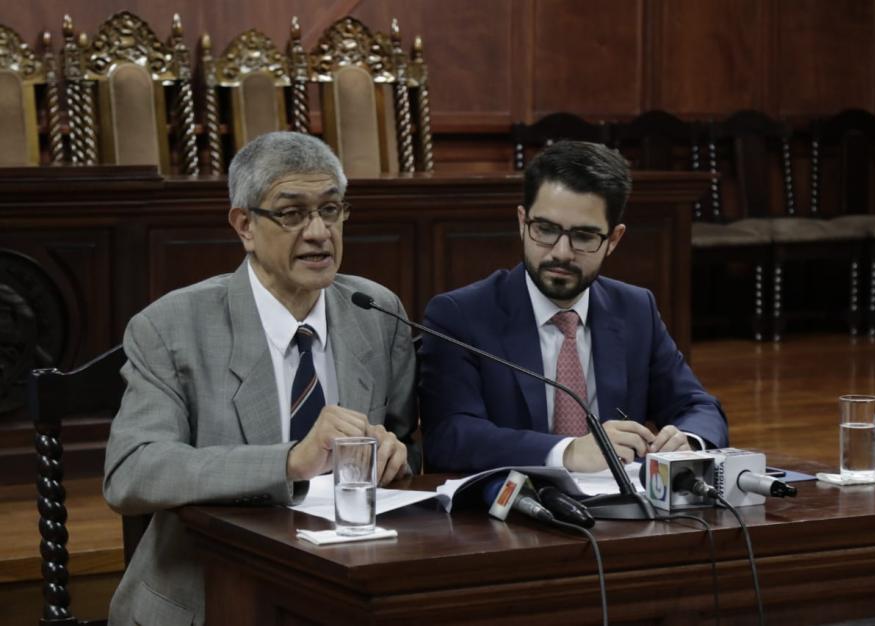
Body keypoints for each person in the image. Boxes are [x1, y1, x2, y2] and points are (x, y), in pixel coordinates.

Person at [104, 131, 418, 624]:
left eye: (331, 210)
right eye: (292, 214)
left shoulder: (376, 312)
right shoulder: (171, 327)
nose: (319, 232)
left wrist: (397, 457)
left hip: (345, 588)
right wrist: (291, 461)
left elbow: (409, 443)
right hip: (210, 595)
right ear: (245, 225)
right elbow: (134, 472)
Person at [419, 140, 727, 473]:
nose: (561, 252)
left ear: (613, 240)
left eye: (583, 236)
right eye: (546, 230)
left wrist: (688, 441)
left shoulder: (635, 309)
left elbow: (699, 407)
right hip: (511, 511)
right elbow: (450, 437)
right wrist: (567, 452)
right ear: (522, 222)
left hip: (620, 511)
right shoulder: (460, 315)